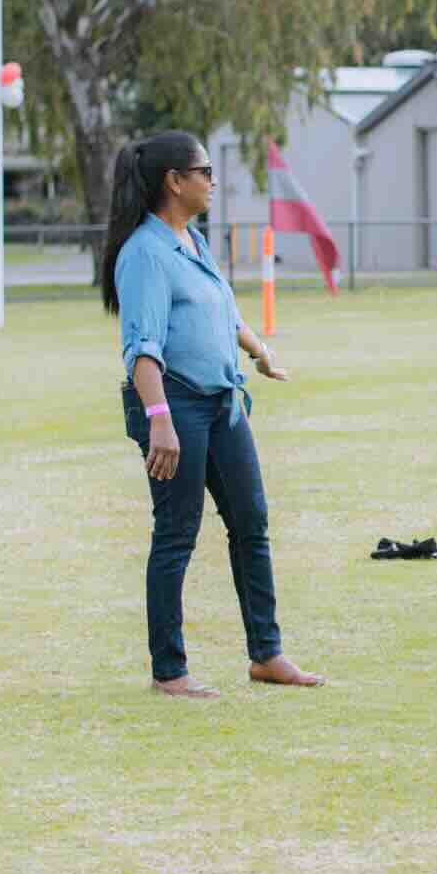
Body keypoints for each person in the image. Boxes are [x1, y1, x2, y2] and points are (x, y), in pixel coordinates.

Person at [102, 130, 323, 697]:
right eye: (204, 171)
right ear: (174, 181)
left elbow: (221, 309)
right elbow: (142, 350)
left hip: (222, 403)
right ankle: (169, 670)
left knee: (251, 523)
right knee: (176, 534)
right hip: (173, 405)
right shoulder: (146, 254)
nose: (213, 180)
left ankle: (266, 655)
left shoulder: (193, 240)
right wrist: (160, 420)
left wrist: (258, 351)